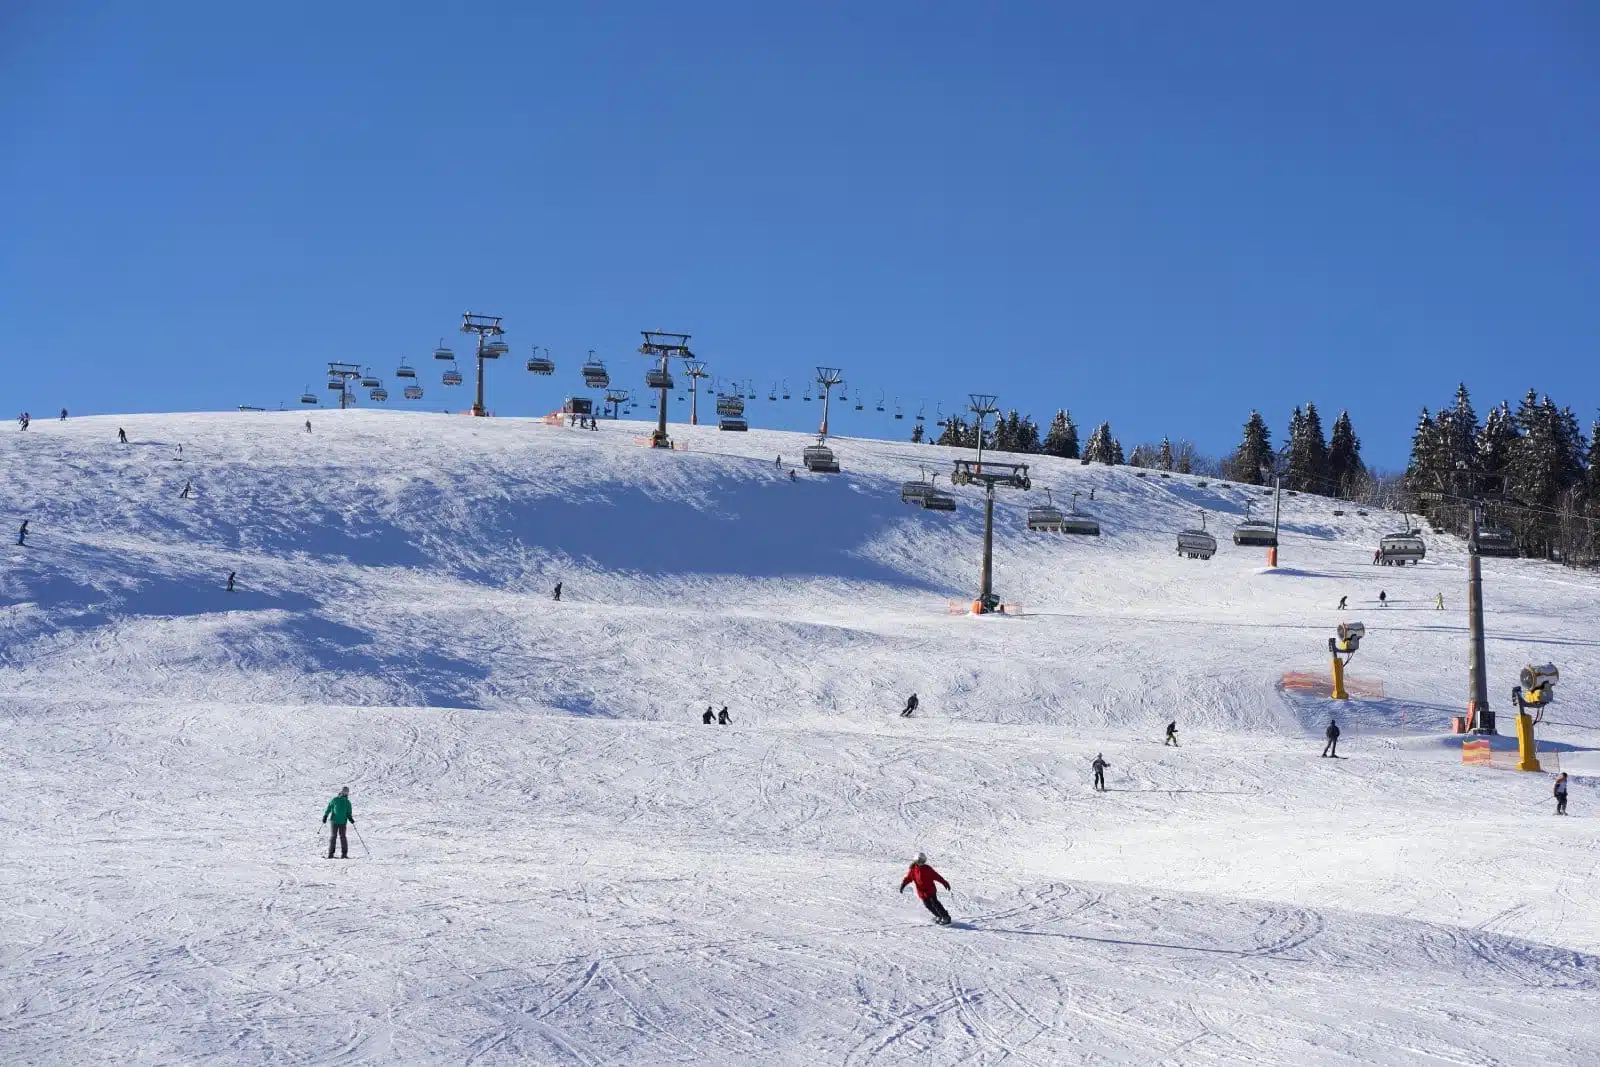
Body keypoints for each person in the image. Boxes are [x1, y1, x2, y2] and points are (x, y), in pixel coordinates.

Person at [899, 852, 952, 925]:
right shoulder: (913, 870)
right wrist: (903, 885)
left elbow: (936, 876)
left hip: (930, 890)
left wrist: (944, 882)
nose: (921, 863)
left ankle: (946, 917)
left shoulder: (927, 868)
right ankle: (938, 916)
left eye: (922, 861)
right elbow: (908, 878)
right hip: (921, 892)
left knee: (935, 903)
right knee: (928, 905)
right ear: (916, 861)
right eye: (919, 861)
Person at [322, 786, 355, 859]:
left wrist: (350, 818)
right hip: (334, 821)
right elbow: (329, 807)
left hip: (343, 822)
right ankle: (331, 854)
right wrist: (325, 815)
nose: (345, 793)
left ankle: (344, 854)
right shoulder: (335, 799)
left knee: (343, 837)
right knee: (333, 837)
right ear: (342, 791)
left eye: (347, 792)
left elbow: (348, 812)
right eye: (344, 792)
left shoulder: (347, 802)